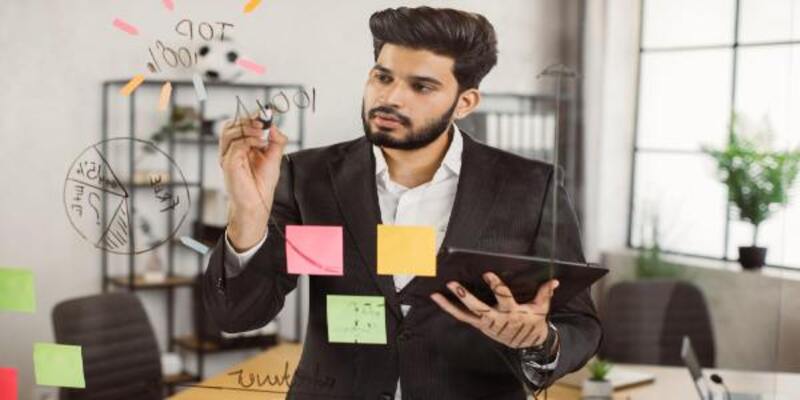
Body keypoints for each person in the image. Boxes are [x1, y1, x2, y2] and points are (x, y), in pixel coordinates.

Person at [204, 6, 601, 399]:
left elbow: (579, 323)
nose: (391, 97)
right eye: (383, 77)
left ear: (464, 102)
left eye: (421, 86)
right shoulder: (307, 177)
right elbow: (237, 316)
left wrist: (541, 339)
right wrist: (248, 215)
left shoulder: (530, 186)